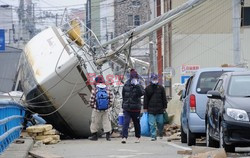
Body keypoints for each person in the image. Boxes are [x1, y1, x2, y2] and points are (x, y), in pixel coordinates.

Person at [121, 69, 144, 144]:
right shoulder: (126, 84)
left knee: (136, 123)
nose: (134, 79)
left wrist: (137, 85)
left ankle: (138, 137)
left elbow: (141, 93)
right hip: (127, 107)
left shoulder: (139, 85)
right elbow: (123, 95)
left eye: (135, 77)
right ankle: (124, 137)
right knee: (126, 122)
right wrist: (123, 105)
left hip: (136, 108)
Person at [88, 75, 113, 141]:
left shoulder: (95, 90)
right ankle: (108, 136)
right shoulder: (108, 89)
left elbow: (92, 100)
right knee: (106, 122)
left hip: (97, 110)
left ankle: (94, 136)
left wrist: (93, 106)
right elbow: (111, 100)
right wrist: (108, 106)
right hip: (106, 110)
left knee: (94, 122)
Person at [143, 73, 167, 141]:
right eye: (153, 79)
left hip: (160, 109)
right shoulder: (148, 88)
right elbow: (146, 99)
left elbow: (164, 98)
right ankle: (153, 135)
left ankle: (160, 132)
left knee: (161, 123)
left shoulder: (161, 88)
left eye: (155, 79)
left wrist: (165, 106)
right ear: (151, 79)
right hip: (151, 109)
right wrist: (145, 108)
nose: (154, 80)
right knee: (152, 124)